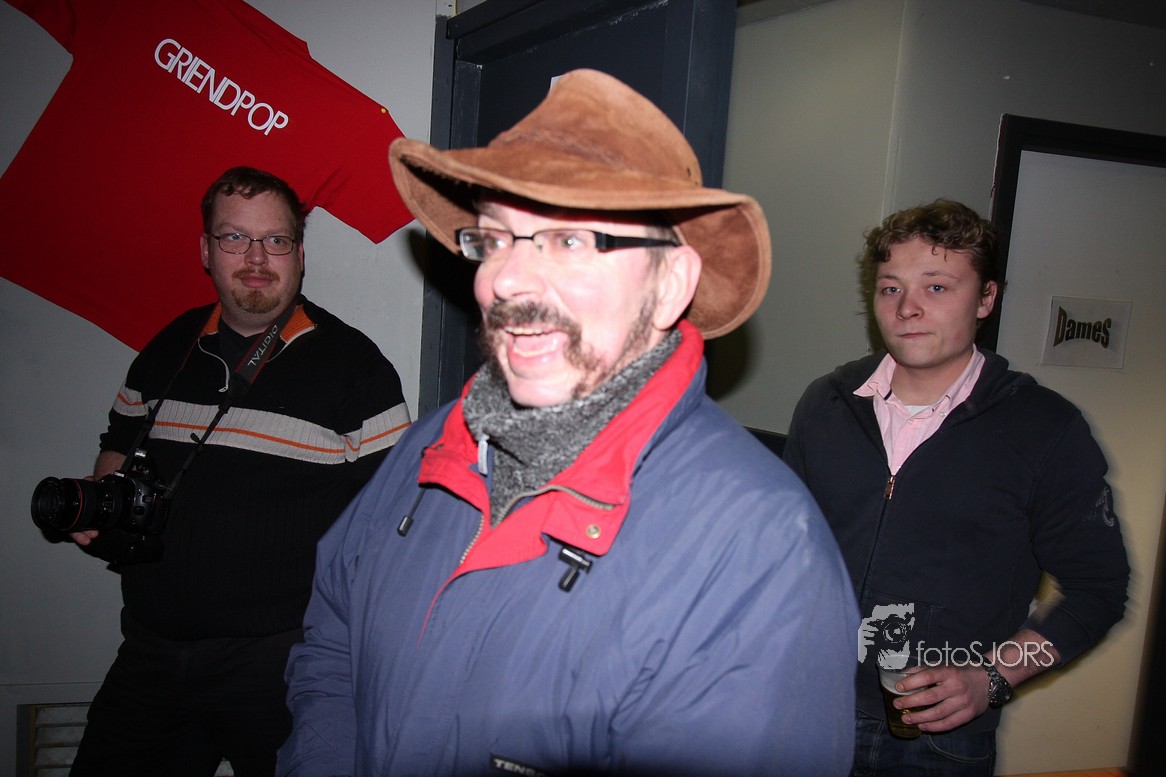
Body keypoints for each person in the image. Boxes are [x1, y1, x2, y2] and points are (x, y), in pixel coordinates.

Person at [277, 68, 858, 777]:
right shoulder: (430, 445)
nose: (505, 280)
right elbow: (332, 643)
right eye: (495, 240)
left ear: (670, 284)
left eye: (570, 240)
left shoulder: (761, 550)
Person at [62, 166, 412, 777]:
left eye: (275, 240)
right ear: (206, 250)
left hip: (283, 665)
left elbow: (399, 521)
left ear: (299, 254)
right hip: (150, 652)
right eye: (234, 238)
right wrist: (103, 497)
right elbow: (117, 442)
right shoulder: (168, 346)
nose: (255, 258)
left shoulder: (357, 368)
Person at [782, 199, 1130, 776]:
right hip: (807, 712)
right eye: (891, 289)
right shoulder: (827, 405)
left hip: (937, 741)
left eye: (937, 287)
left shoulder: (1044, 429)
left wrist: (993, 676)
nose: (908, 308)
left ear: (986, 298)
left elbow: (1098, 590)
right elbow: (784, 558)